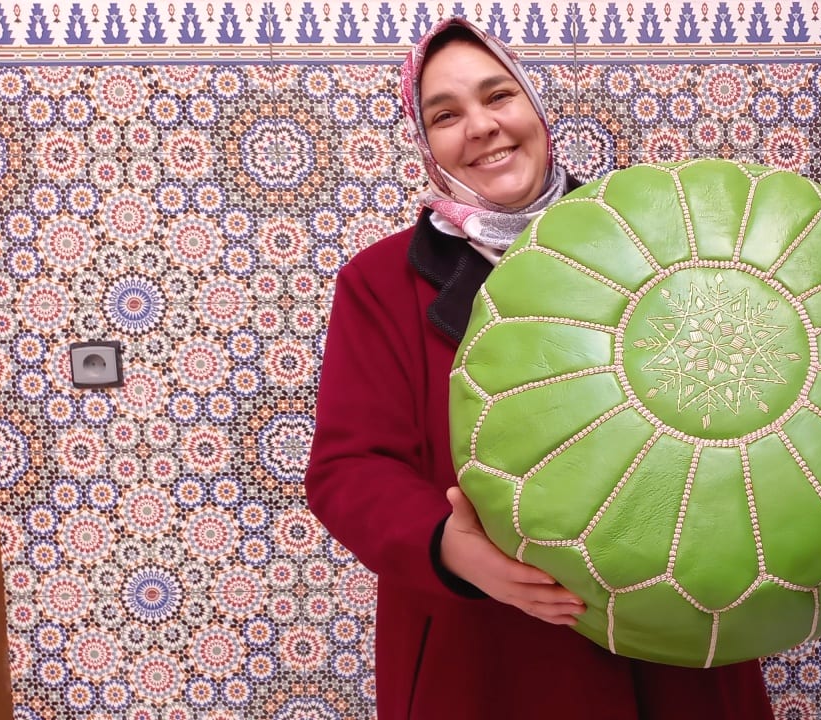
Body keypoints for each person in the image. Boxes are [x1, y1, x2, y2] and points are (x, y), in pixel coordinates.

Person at [303, 17, 775, 719]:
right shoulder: (380, 283)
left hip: (670, 634)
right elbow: (348, 469)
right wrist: (449, 549)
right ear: (426, 144)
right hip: (489, 658)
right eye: (446, 114)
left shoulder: (656, 239)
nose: (483, 126)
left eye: (499, 96)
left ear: (535, 105)